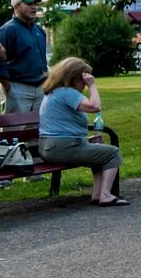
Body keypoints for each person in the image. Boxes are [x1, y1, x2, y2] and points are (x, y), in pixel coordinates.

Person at [36, 56, 125, 206]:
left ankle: (97, 195)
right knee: (112, 153)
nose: (84, 85)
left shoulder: (54, 92)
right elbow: (95, 106)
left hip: (51, 147)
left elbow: (61, 127)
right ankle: (105, 195)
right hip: (62, 148)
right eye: (83, 80)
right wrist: (92, 86)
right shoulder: (67, 92)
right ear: (74, 77)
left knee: (99, 153)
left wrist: (85, 140)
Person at [0, 0, 50, 113]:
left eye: (36, 4)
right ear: (16, 6)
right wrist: (7, 86)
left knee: (36, 129)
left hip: (40, 88)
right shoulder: (7, 30)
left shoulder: (39, 31)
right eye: (29, 3)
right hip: (17, 87)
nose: (34, 7)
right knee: (14, 129)